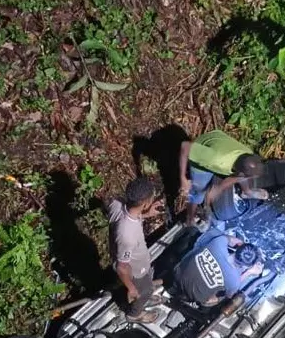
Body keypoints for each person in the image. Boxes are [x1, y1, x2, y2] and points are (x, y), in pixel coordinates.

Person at [178, 130, 270, 226]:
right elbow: (185, 146)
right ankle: (190, 218)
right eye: (248, 176)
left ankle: (246, 192)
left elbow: (240, 175)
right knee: (199, 192)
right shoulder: (214, 159)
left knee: (245, 174)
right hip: (202, 158)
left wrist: (219, 188)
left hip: (218, 142)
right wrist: (183, 178)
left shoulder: (248, 155)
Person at [108, 176, 166, 323]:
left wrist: (146, 214)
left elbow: (132, 217)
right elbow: (122, 267)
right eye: (151, 199)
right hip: (135, 270)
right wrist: (131, 288)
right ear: (145, 203)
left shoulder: (117, 204)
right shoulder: (127, 235)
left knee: (147, 284)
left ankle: (144, 292)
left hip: (135, 259)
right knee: (144, 291)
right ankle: (135, 314)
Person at [173, 228, 264, 307]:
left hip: (178, 272)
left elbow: (229, 239)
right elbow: (229, 295)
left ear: (238, 247)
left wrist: (241, 244)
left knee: (213, 233)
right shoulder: (234, 281)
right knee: (222, 297)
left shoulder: (218, 242)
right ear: (247, 266)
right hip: (193, 295)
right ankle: (202, 304)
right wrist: (249, 272)